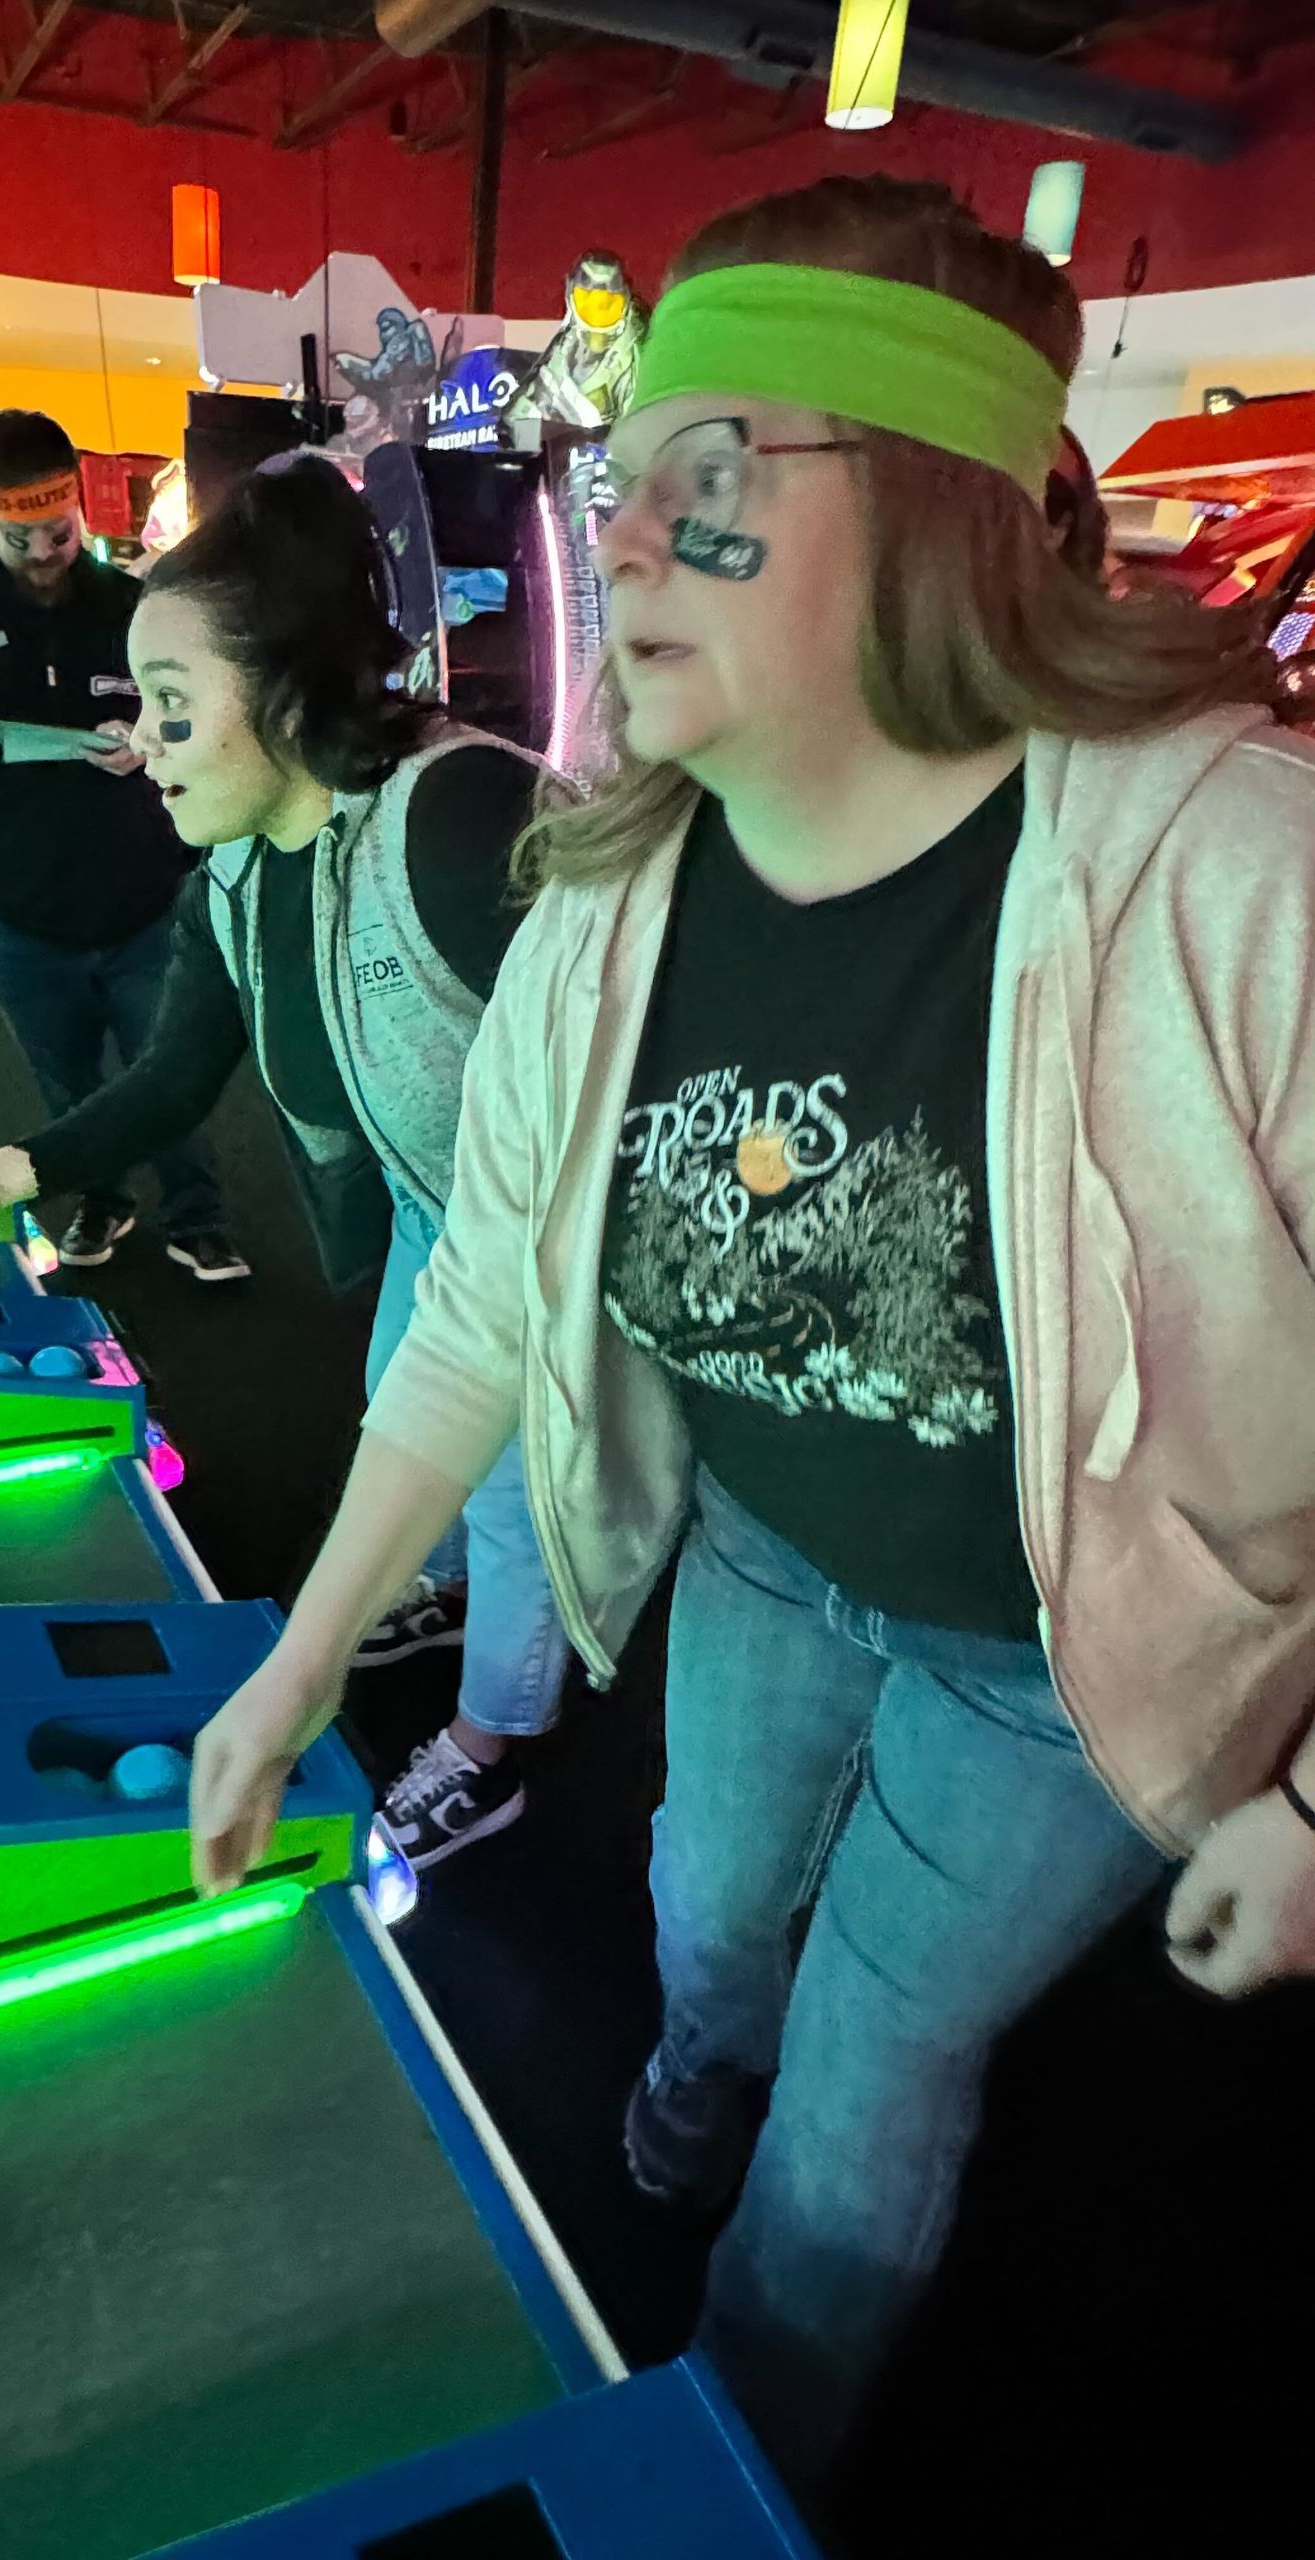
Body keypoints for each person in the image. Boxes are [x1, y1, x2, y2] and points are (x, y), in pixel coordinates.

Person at [182, 177, 1315, 2493]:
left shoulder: (1236, 881)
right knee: (705, 1905)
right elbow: (489, 1289)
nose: (615, 533)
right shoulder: (611, 882)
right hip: (768, 1547)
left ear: (926, 510)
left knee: (875, 2057)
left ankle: (724, 2455)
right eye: (623, 476)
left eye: (711, 481)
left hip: (1073, 1651)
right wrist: (298, 1654)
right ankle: (686, 2087)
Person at [0, 453, 573, 1866]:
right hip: (446, 1208)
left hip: (562, 1232)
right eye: (145, 710)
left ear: (292, 698)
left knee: (510, 1491)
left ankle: (497, 1738)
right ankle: (434, 1582)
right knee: (398, 1408)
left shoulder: (458, 821)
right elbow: (173, 1075)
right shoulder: (241, 876)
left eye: (176, 710)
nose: (149, 745)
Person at [0, 410, 244, 1280]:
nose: (44, 549)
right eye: (21, 532)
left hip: (146, 893)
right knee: (68, 1079)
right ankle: (102, 1202)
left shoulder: (132, 604)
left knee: (168, 1068)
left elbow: (193, 712)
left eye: (61, 529)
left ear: (80, 506)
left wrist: (148, 734)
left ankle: (199, 1217)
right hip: (19, 907)